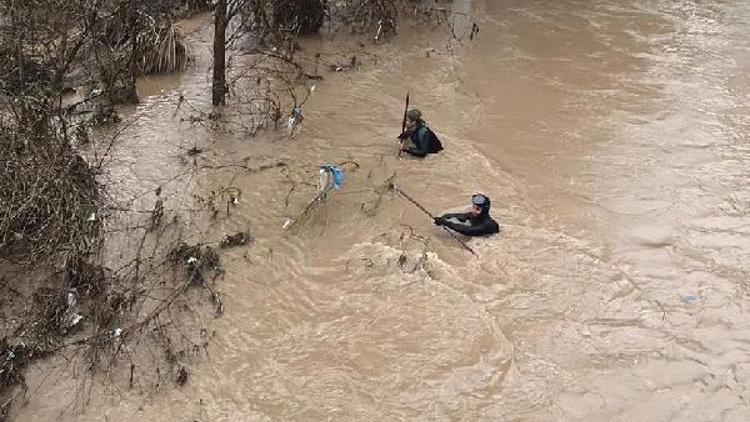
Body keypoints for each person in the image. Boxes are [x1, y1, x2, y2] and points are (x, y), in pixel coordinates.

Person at [434, 194, 499, 236]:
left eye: (478, 209)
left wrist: (446, 223)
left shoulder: (488, 224)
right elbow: (459, 216)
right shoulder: (474, 215)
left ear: (484, 211)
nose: (474, 211)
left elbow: (468, 230)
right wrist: (443, 218)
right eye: (473, 207)